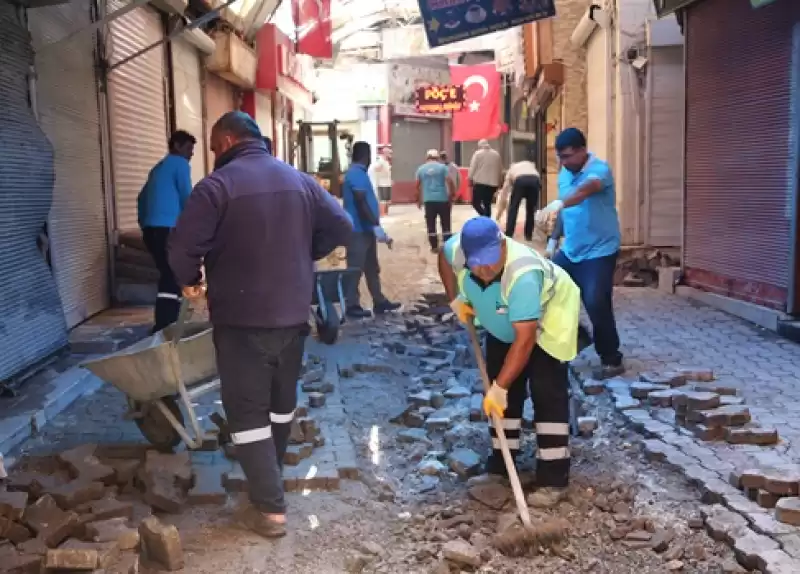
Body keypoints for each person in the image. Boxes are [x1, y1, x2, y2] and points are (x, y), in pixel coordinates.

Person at [168, 112, 352, 538]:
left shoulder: (216, 187)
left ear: (228, 140)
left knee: (246, 411)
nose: (213, 156)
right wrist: (307, 251)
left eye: (214, 148)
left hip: (240, 319)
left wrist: (193, 281)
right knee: (280, 403)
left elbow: (181, 248)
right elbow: (341, 225)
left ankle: (270, 509)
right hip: (292, 315)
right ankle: (268, 476)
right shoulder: (301, 181)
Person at [438, 216, 580, 507]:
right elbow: (443, 255)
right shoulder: (459, 251)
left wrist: (500, 388)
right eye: (477, 262)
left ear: (502, 244)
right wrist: (455, 299)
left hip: (547, 323)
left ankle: (553, 479)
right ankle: (502, 464)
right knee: (503, 394)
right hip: (503, 320)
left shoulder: (523, 274)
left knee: (546, 392)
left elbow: (525, 339)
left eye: (490, 259)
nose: (484, 268)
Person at [535, 127, 624, 380]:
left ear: (583, 151)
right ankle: (578, 337)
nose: (563, 163)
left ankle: (611, 359)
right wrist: (553, 241)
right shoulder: (565, 172)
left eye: (567, 156)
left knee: (595, 299)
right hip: (572, 249)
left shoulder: (600, 170)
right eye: (559, 157)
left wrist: (561, 202)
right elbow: (565, 211)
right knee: (547, 291)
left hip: (599, 250)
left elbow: (586, 190)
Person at [137, 130, 196, 333]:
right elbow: (187, 197)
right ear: (177, 146)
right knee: (172, 274)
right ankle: (165, 324)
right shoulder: (179, 164)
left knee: (167, 272)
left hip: (152, 229)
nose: (191, 153)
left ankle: (170, 318)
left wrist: (145, 224)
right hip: (168, 228)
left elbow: (141, 198)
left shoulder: (157, 168)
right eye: (189, 148)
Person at [342, 141, 401, 319]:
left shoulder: (358, 173)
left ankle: (379, 300)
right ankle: (351, 304)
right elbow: (361, 202)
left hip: (365, 229)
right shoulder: (356, 174)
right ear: (365, 156)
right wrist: (375, 224)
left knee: (371, 267)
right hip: (358, 230)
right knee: (355, 269)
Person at [495, 146, 540, 241]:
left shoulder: (511, 170)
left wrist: (500, 210)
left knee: (513, 208)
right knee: (531, 210)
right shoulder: (529, 164)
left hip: (520, 180)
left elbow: (505, 190)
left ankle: (509, 233)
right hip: (535, 180)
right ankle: (528, 235)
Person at [416, 149, 456, 253]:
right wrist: (452, 194)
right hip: (442, 199)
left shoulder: (421, 169)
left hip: (428, 200)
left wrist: (418, 200)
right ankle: (447, 245)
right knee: (446, 223)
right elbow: (449, 181)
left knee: (431, 223)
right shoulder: (443, 167)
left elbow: (417, 186)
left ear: (427, 157)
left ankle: (434, 246)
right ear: (437, 158)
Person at [468, 139, 503, 218]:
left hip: (480, 183)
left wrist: (470, 178)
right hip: (493, 184)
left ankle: (485, 217)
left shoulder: (478, 154)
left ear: (479, 146)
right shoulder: (496, 154)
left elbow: (473, 167)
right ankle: (487, 219)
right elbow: (500, 169)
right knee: (487, 204)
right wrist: (500, 182)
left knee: (475, 203)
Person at [369, 144, 393, 210]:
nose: (390, 155)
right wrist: (380, 171)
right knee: (383, 199)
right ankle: (383, 212)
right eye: (389, 153)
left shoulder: (386, 162)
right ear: (385, 153)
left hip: (387, 182)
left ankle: (385, 211)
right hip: (382, 183)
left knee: (387, 199)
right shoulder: (380, 161)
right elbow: (375, 168)